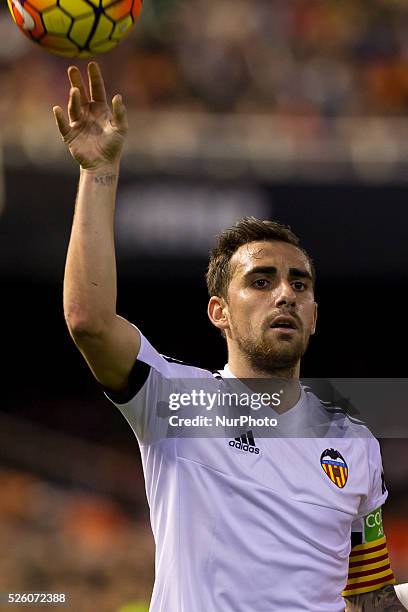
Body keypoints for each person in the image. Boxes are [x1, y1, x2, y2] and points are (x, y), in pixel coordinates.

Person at [54, 62, 406, 612]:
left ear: (314, 315)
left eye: (300, 284)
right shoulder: (174, 401)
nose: (285, 294)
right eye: (261, 282)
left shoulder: (355, 442)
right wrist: (98, 171)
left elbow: (370, 597)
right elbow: (89, 321)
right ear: (218, 310)